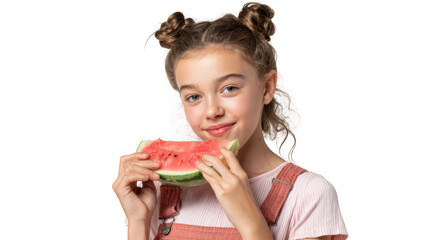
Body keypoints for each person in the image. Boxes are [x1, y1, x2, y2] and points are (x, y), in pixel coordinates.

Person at [112, 2, 348, 240]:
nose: (212, 111)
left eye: (229, 88)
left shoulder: (307, 195)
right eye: (194, 97)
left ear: (266, 88)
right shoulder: (162, 189)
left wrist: (249, 219)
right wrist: (138, 222)